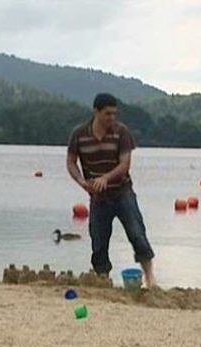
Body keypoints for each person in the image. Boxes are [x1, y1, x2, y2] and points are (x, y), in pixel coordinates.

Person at [66, 93, 157, 288]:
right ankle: (103, 280)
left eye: (114, 114)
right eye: (108, 114)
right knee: (98, 242)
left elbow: (125, 164)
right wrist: (81, 181)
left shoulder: (121, 132)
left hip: (122, 192)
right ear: (96, 112)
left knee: (137, 233)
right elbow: (71, 161)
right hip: (98, 198)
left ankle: (150, 278)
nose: (112, 118)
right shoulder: (79, 134)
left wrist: (106, 178)